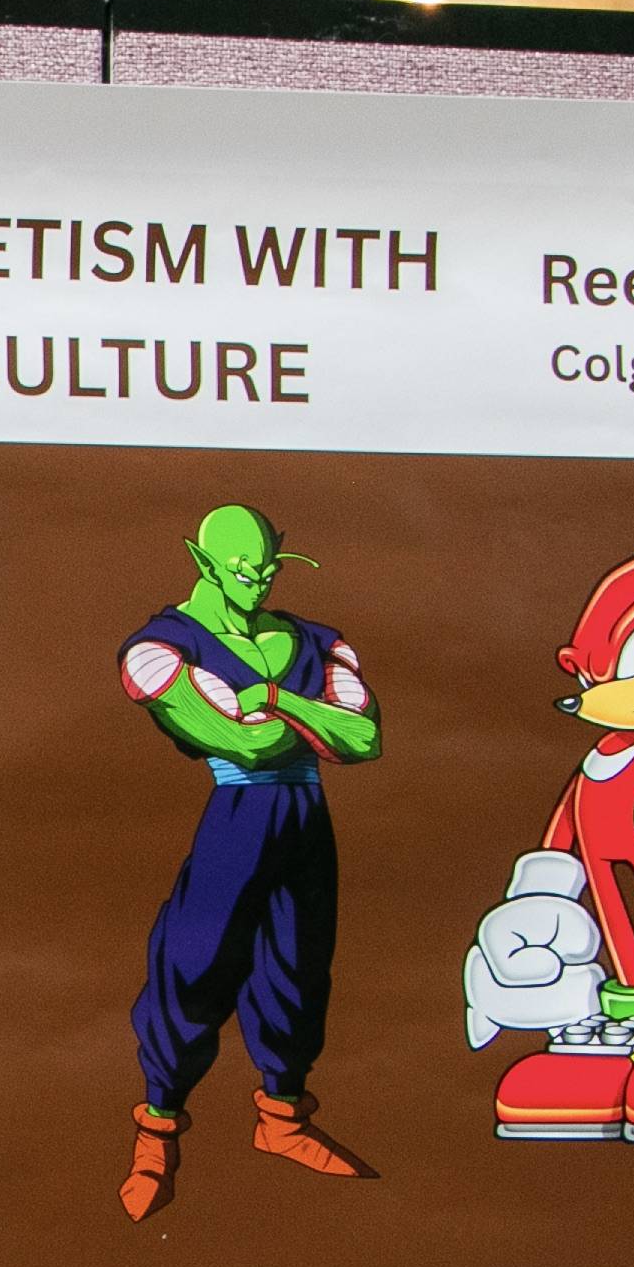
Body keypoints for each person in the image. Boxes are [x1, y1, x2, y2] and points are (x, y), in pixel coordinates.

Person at [115, 502, 378, 1220]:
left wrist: (267, 697)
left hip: (305, 820)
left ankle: (283, 1120)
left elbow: (363, 739)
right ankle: (157, 1131)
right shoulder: (163, 645)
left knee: (297, 965)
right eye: (242, 571)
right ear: (202, 562)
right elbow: (244, 746)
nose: (259, 584)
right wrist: (304, 718)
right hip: (238, 818)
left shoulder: (312, 640)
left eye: (269, 570)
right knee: (194, 964)